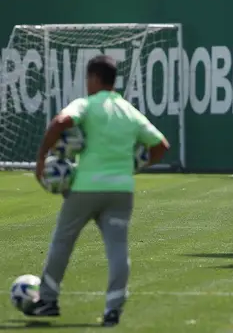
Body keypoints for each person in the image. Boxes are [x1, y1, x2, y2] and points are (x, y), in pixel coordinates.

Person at [27, 55, 170, 327]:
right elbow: (161, 145)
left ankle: (47, 301)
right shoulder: (129, 111)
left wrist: (41, 158)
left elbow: (60, 122)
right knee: (117, 249)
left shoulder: (87, 104)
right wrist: (136, 165)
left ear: (93, 78)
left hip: (85, 187)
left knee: (62, 242)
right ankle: (113, 310)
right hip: (121, 189)